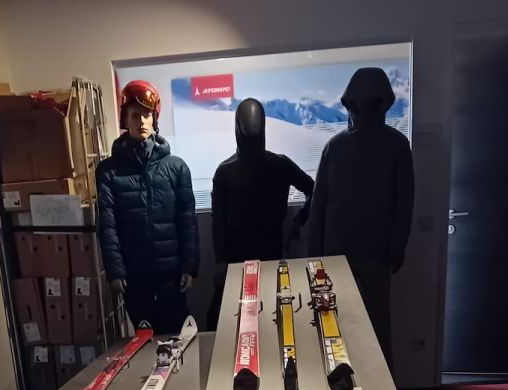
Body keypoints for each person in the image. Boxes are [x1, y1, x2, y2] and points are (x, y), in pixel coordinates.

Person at [307, 67, 414, 369]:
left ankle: (338, 384)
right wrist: (397, 247)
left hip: (338, 253)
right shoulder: (396, 145)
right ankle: (382, 389)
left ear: (348, 102)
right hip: (376, 253)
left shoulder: (335, 146)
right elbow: (405, 202)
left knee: (336, 325)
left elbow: (319, 205)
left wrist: (314, 256)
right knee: (376, 328)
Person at [96, 79, 199, 335]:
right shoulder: (109, 172)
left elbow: (187, 220)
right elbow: (108, 224)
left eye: (146, 115)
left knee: (177, 336)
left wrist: (189, 266)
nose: (141, 121)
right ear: (125, 119)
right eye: (135, 115)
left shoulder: (176, 167)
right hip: (135, 274)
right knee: (144, 339)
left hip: (171, 273)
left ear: (154, 119)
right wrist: (115, 271)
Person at [208, 98, 314, 329]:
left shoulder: (226, 171)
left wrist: (220, 261)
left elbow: (218, 221)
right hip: (258, 256)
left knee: (231, 323)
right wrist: (298, 221)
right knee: (265, 320)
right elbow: (313, 190)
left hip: (248, 258)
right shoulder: (278, 164)